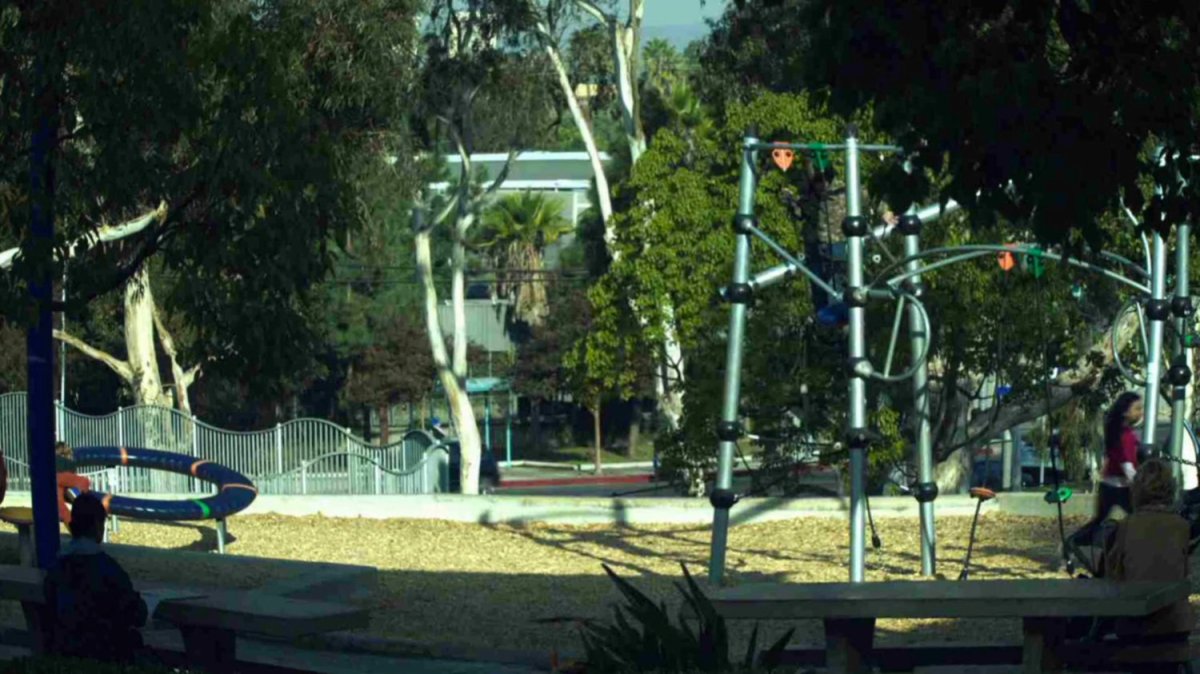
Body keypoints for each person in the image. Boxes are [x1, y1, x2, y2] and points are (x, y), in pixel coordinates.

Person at [43, 492, 147, 663]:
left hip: (65, 654)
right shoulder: (108, 569)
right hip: (107, 655)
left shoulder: (57, 567)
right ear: (98, 526)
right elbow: (137, 615)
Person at [1103, 458, 1194, 644]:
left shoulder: (1127, 525)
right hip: (1175, 626)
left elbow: (1114, 574)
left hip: (1135, 626)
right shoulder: (1182, 527)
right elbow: (1182, 573)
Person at [1068, 392, 1142, 551]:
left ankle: (1072, 544)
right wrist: (1138, 483)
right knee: (1136, 519)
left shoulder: (1119, 432)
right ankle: (1073, 544)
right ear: (1125, 411)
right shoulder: (1124, 435)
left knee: (1100, 521)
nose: (1140, 413)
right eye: (1136, 409)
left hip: (1110, 485)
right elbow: (1126, 462)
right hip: (1120, 486)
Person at [55, 442, 91, 526]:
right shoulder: (69, 462)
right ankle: (77, 494)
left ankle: (71, 523)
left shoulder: (51, 459)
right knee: (85, 481)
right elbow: (72, 476)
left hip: (53, 480)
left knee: (60, 503)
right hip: (64, 478)